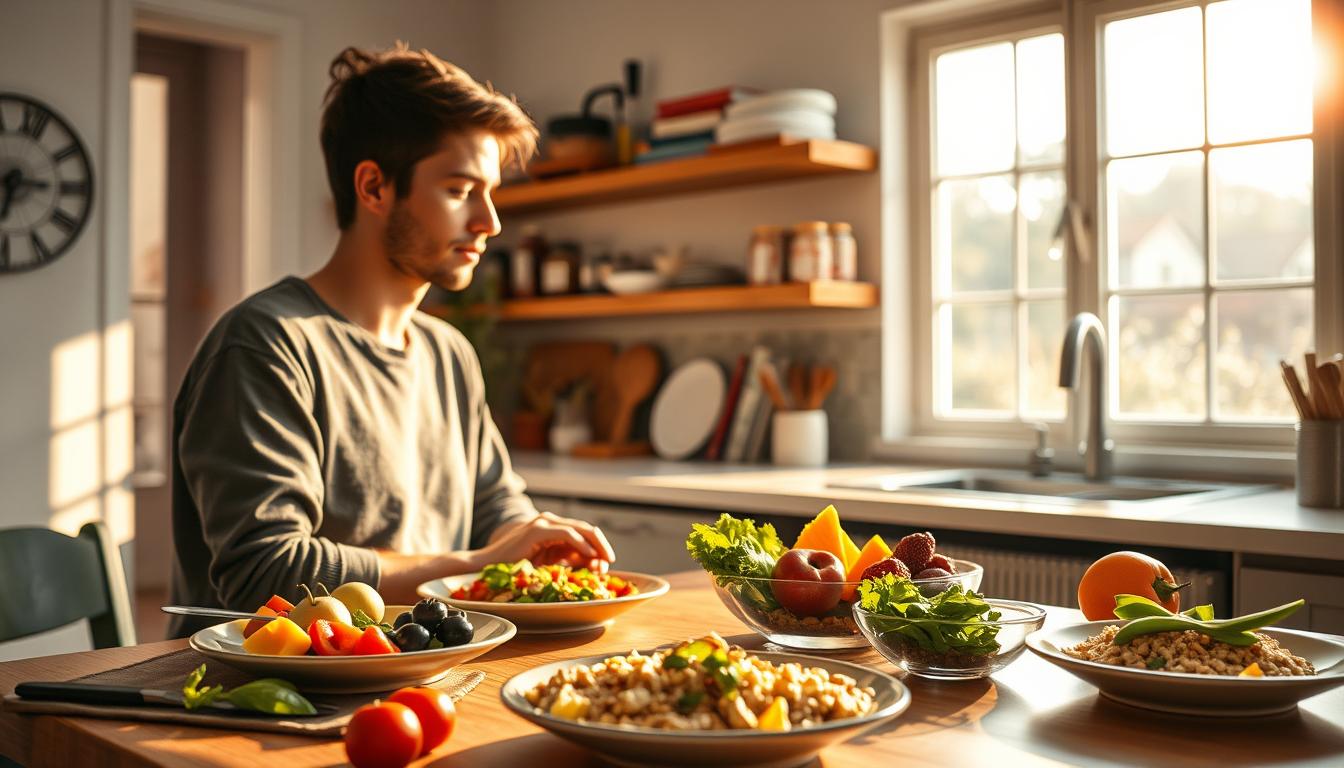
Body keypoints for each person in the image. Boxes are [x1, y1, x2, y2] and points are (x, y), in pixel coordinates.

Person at [166, 44, 613, 638]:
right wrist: (478, 566)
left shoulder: (448, 353)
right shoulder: (265, 345)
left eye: (491, 191)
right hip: (267, 702)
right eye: (459, 190)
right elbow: (266, 573)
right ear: (374, 187)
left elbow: (496, 511)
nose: (490, 221)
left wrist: (537, 545)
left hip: (425, 675)